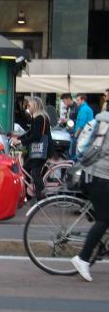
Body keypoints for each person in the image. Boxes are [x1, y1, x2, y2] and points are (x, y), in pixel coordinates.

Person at [71, 110, 109, 282]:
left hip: (96, 174)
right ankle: (83, 258)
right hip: (99, 176)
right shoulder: (106, 123)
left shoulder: (102, 120)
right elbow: (103, 151)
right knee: (104, 219)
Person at [11, 96, 53, 200]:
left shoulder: (40, 118)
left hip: (42, 150)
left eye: (29, 106)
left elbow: (36, 136)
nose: (27, 108)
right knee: (26, 168)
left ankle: (41, 197)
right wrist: (18, 138)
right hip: (38, 149)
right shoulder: (37, 117)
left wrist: (20, 141)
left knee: (34, 172)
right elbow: (30, 132)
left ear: (35, 106)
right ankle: (27, 196)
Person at [72, 94, 95, 160]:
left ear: (83, 100)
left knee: (77, 156)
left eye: (78, 100)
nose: (77, 102)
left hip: (81, 135)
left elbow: (81, 124)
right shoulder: (85, 108)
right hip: (86, 135)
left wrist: (76, 135)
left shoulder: (84, 109)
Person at [61, 93, 78, 158]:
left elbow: (77, 120)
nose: (63, 103)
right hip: (69, 131)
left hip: (74, 132)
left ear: (68, 99)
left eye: (64, 101)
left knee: (72, 152)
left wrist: (68, 120)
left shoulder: (76, 107)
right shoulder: (68, 107)